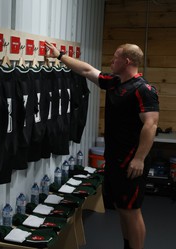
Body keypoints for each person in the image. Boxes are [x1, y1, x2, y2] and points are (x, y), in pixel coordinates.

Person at [45, 42, 159, 249]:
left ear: (126, 61)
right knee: (122, 208)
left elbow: (151, 125)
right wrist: (59, 55)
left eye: (115, 57)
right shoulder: (115, 82)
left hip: (132, 161)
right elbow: (87, 70)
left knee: (132, 211)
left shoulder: (143, 89)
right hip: (115, 158)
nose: (111, 61)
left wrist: (139, 159)